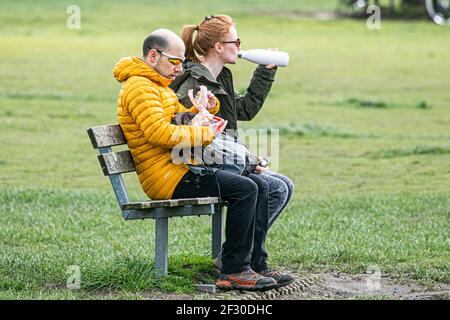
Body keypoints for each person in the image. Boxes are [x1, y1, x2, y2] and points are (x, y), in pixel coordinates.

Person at [114, 29, 291, 291]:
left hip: (180, 168)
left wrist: (202, 108)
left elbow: (177, 117)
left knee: (261, 185)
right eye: (175, 61)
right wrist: (204, 133)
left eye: (182, 62)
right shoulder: (140, 87)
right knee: (246, 188)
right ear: (153, 55)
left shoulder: (157, 86)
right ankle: (233, 271)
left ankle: (255, 264)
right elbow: (159, 132)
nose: (179, 69)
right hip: (166, 178)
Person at [170, 15, 295, 264]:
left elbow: (244, 110)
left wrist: (265, 72)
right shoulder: (194, 84)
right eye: (235, 41)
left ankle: (239, 257)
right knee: (274, 188)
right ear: (218, 46)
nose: (239, 46)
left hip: (221, 160)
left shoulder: (220, 77)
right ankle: (236, 259)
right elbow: (191, 140)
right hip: (195, 167)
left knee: (283, 185)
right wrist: (247, 163)